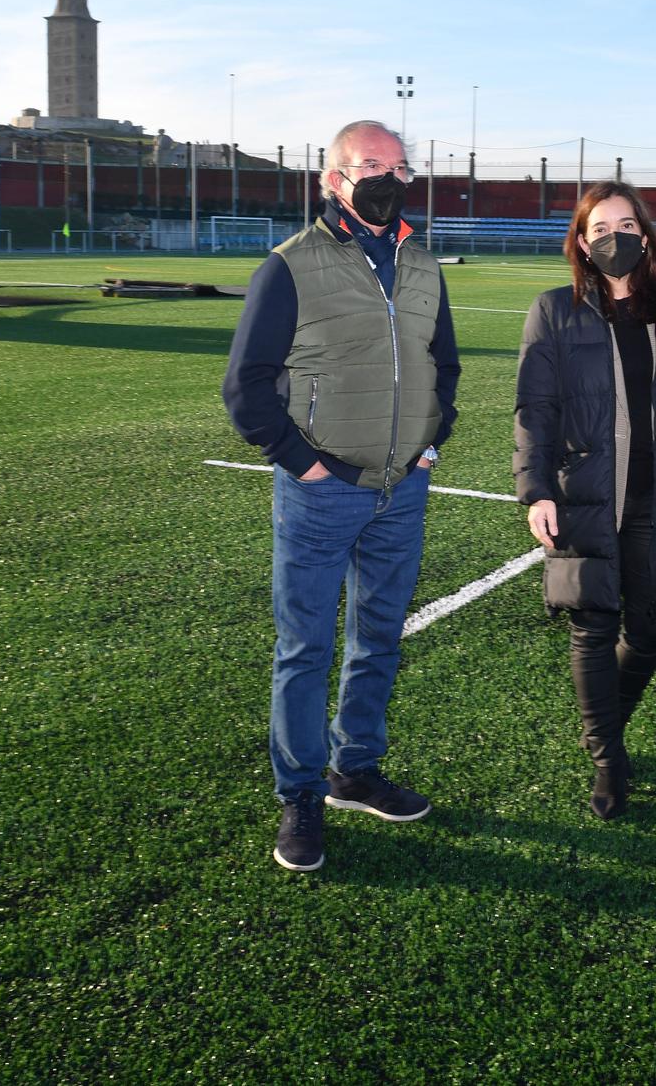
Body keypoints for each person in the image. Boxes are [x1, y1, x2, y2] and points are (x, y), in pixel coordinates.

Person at [222, 120, 461, 872]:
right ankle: (298, 793)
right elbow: (245, 386)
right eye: (366, 166)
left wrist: (431, 440)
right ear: (333, 178)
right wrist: (304, 461)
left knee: (379, 639)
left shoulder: (423, 265)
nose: (383, 177)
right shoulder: (289, 267)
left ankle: (353, 769)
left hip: (402, 489)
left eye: (395, 166)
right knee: (306, 648)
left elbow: (443, 364)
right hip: (321, 492)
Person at [514, 180, 656, 818]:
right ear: (581, 242)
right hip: (586, 496)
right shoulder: (554, 311)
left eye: (627, 225)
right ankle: (610, 760)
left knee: (653, 623)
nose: (616, 238)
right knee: (593, 625)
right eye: (600, 228)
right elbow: (536, 409)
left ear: (647, 234)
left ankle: (600, 725)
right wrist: (535, 489)